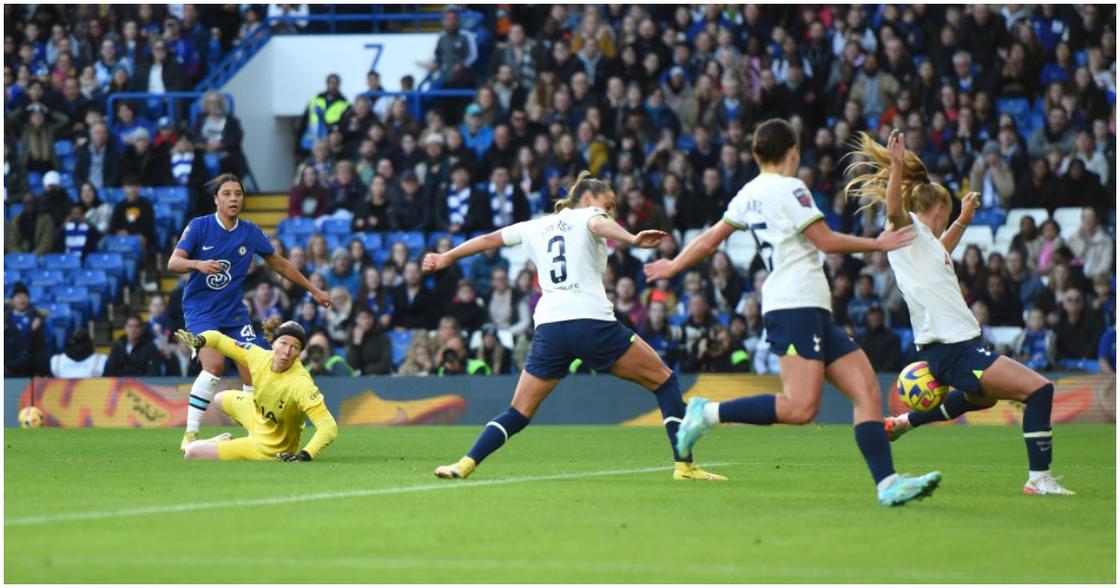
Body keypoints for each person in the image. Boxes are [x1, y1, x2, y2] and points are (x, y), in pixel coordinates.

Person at [645, 119, 939, 507]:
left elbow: (709, 239)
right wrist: (877, 243)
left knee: (867, 390)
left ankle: (888, 484)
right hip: (792, 304)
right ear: (794, 152)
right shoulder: (791, 188)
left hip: (812, 306)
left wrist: (673, 265)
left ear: (754, 154)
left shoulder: (747, 193)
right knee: (801, 407)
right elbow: (825, 241)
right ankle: (707, 412)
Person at [424, 171, 725, 482]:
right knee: (665, 382)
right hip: (590, 322)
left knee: (518, 412)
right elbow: (598, 223)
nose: (610, 211)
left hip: (551, 328)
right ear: (588, 199)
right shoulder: (589, 215)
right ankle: (685, 467)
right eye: (607, 204)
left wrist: (447, 256)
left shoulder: (534, 225)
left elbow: (488, 240)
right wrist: (632, 238)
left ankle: (464, 464)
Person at [852, 129, 1073, 496]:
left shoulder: (921, 244)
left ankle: (905, 422)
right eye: (948, 214)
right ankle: (1039, 479)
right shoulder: (906, 228)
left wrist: (964, 221)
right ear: (938, 208)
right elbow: (892, 209)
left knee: (979, 399)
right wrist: (894, 165)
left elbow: (939, 252)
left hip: (956, 347)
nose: (946, 221)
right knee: (1039, 390)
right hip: (955, 348)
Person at [168, 173, 331, 452]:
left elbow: (281, 265)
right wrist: (198, 265)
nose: (234, 199)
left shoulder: (250, 232)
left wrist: (313, 290)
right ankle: (190, 435)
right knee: (215, 366)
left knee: (253, 372)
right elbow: (174, 262)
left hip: (234, 313)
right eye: (227, 194)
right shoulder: (199, 227)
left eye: (238, 194)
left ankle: (256, 432)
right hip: (201, 311)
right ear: (216, 199)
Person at [176, 319, 338, 462]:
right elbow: (219, 340)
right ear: (273, 343)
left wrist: (304, 455)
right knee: (219, 399)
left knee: (192, 452)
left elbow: (328, 427)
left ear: (300, 353)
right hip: (257, 416)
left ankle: (234, 444)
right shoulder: (257, 356)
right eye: (283, 343)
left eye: (294, 347)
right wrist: (199, 340)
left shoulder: (301, 384)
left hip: (269, 447)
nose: (287, 352)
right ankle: (236, 439)